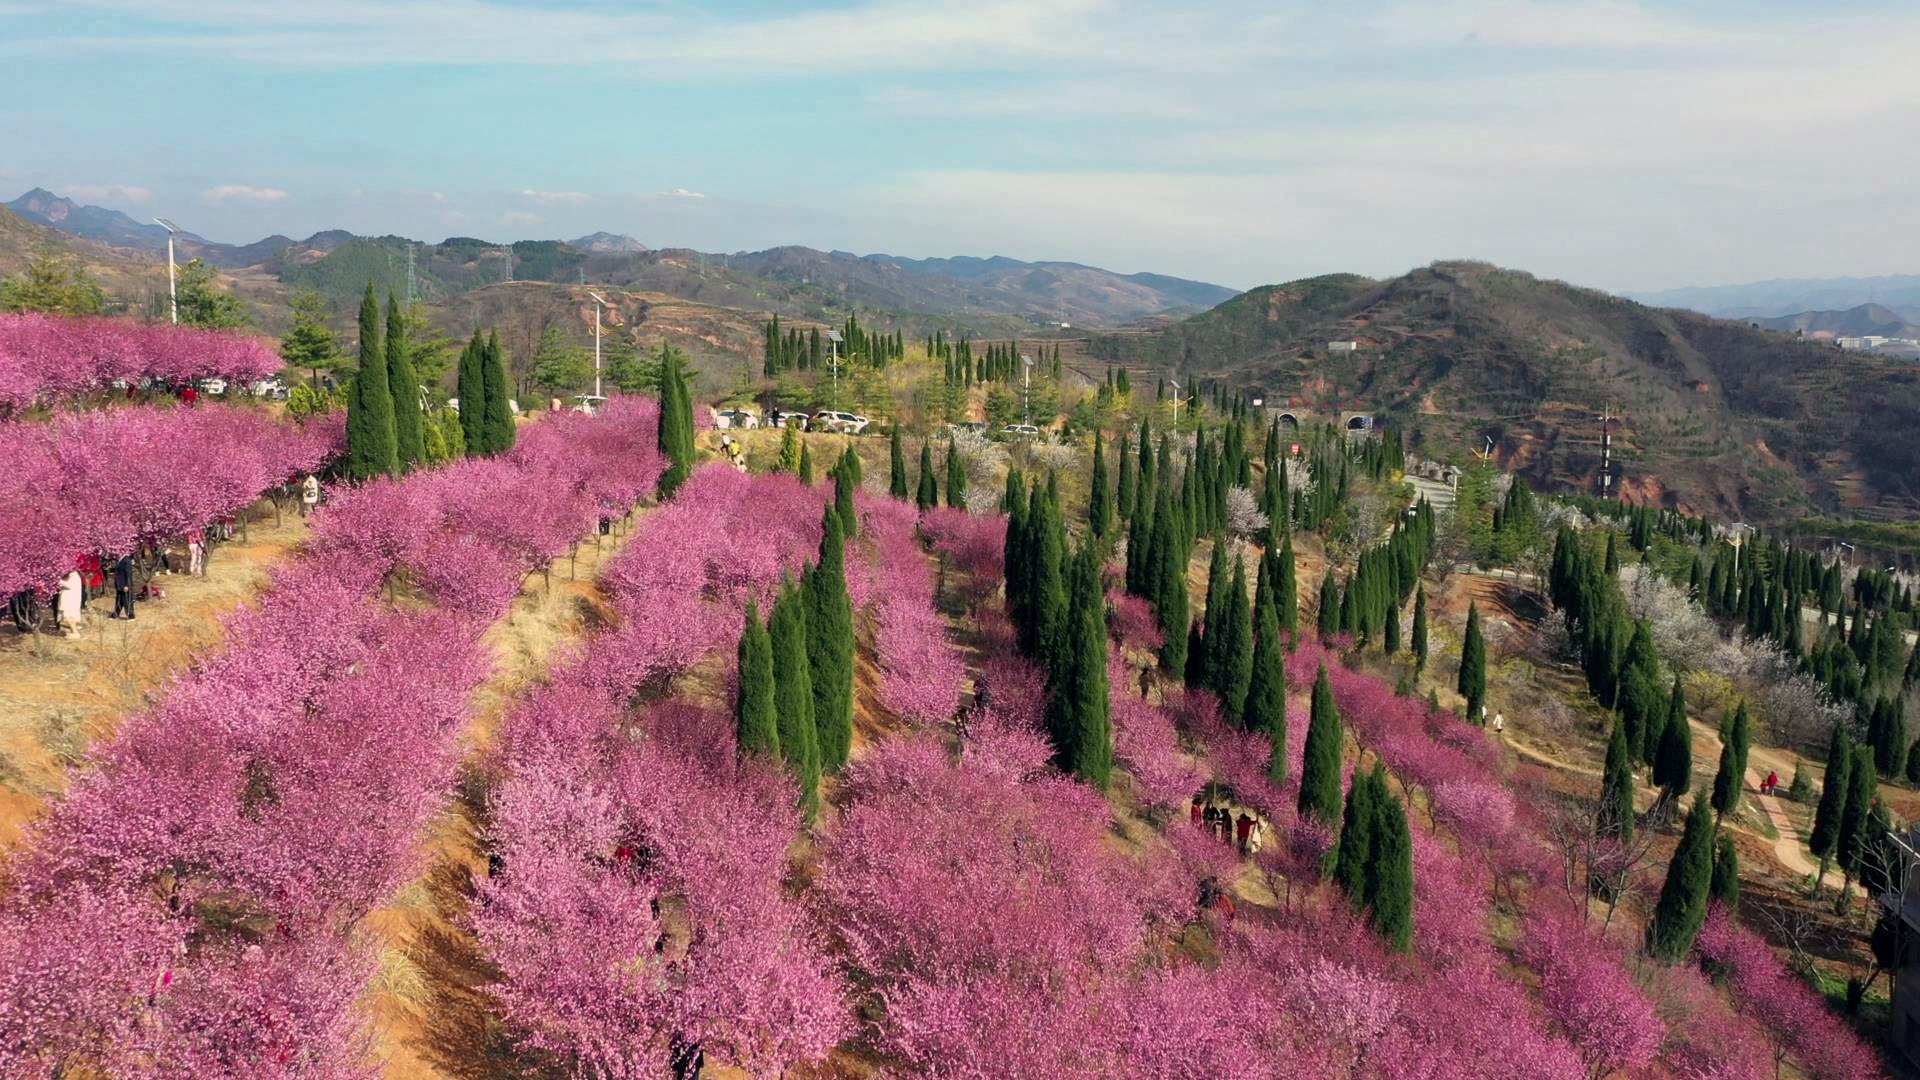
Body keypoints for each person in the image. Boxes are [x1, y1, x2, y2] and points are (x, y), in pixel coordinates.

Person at [57, 568, 84, 638]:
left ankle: (75, 633)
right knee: (69, 617)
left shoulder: (74, 575)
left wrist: (59, 581)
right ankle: (73, 632)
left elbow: (69, 585)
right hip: (69, 599)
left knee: (70, 617)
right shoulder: (72, 575)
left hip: (70, 600)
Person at [112, 553, 136, 620]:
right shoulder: (118, 560)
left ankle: (131, 616)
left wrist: (127, 585)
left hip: (125, 584)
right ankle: (116, 614)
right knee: (119, 600)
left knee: (127, 600)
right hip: (119, 584)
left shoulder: (126, 560)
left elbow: (129, 574)